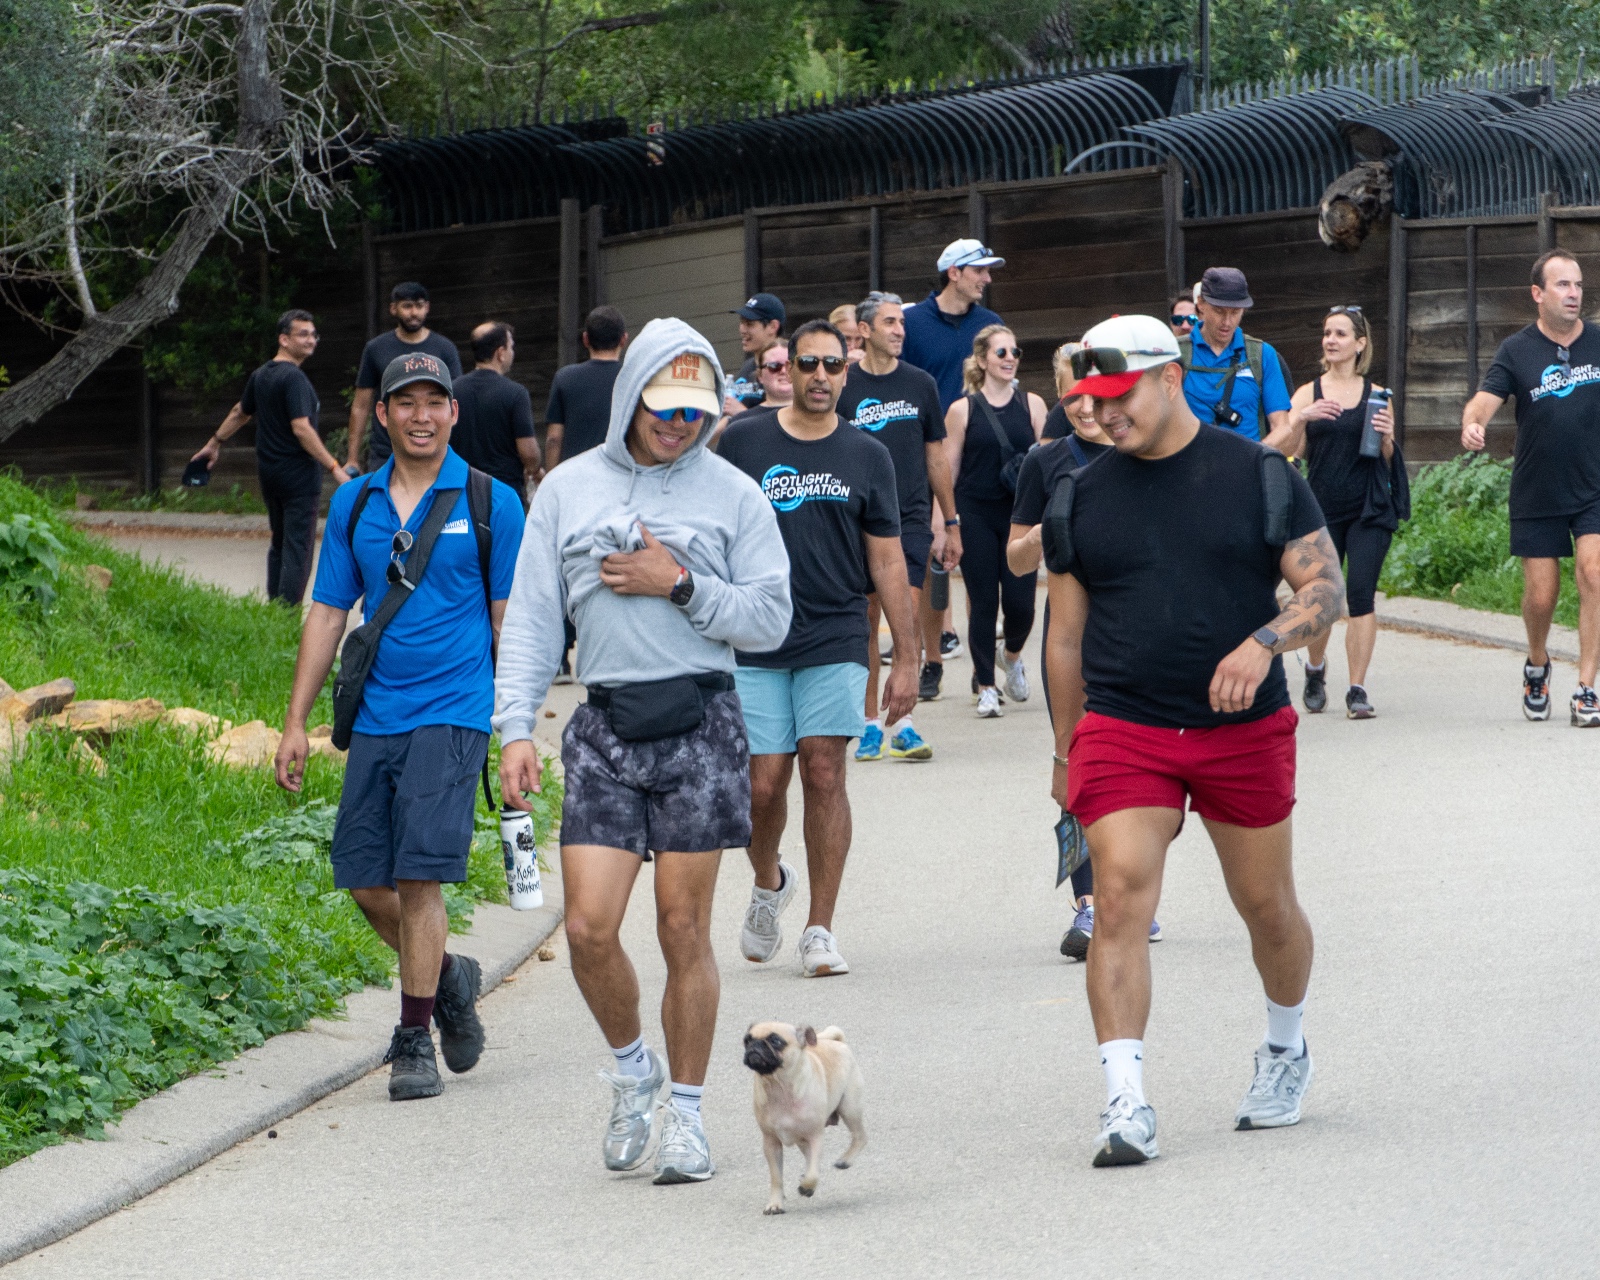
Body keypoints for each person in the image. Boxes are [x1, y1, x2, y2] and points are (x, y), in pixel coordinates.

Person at [495, 319, 792, 1186]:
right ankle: (634, 1074)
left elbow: (772, 618)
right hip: (604, 725)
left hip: (701, 723)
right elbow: (535, 620)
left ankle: (690, 1117)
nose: (679, 426)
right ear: (631, 396)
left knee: (680, 926)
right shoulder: (567, 490)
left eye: (696, 411)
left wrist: (683, 583)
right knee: (587, 926)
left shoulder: (735, 493)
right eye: (664, 408)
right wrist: (515, 725)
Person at [1043, 314, 1341, 1167]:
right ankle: (1125, 1101)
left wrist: (1263, 643)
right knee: (1121, 899)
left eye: (1119, 395)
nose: (1104, 415)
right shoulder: (1079, 495)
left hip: (1242, 732)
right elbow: (1064, 639)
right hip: (1126, 725)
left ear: (1170, 378)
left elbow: (1327, 589)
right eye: (1093, 400)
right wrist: (1068, 750)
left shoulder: (1258, 475)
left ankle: (1285, 1047)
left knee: (1266, 907)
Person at [273, 350, 525, 1102]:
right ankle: (450, 977)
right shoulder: (355, 505)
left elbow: (511, 623)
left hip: (454, 712)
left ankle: (414, 1037)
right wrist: (294, 721)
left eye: (434, 402)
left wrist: (513, 727)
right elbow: (326, 613)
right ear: (381, 415)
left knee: (418, 874)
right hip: (377, 713)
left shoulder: (492, 503)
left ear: (453, 412)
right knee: (361, 876)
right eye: (405, 403)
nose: (421, 415)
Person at [719, 320, 920, 980]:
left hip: (835, 632)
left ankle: (819, 929)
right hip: (755, 634)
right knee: (760, 784)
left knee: (824, 770)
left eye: (834, 365)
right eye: (808, 364)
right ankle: (771, 881)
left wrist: (908, 657)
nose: (821, 376)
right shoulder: (743, 440)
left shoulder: (867, 455)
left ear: (846, 371)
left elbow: (888, 562)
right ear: (787, 368)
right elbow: (706, 527)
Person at [1006, 344, 1162, 959]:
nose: (1084, 409)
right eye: (1071, 398)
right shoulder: (1045, 462)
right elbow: (1016, 558)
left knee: (1139, 760)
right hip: (1068, 627)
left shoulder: (1147, 453)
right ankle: (1090, 904)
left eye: (1094, 396)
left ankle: (1134, 892)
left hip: (1136, 625)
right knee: (1077, 760)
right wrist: (1051, 528)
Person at [1463, 251, 1600, 726]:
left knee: (1595, 573)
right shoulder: (1516, 350)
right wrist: (1473, 425)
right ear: (1538, 294)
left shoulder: (1599, 343)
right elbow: (1483, 401)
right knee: (1541, 597)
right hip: (1538, 489)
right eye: (1563, 285)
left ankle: (1586, 689)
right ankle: (1538, 664)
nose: (1574, 293)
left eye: (1578, 285)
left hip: (1593, 487)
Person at [837, 291, 963, 736]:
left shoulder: (920, 384)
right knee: (867, 623)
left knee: (904, 613)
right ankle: (871, 721)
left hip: (907, 519)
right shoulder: (844, 384)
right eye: (889, 323)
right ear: (865, 330)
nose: (899, 331)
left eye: (902, 324)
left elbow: (936, 458)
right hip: (855, 519)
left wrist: (950, 523)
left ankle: (905, 720)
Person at [1282, 306, 1405, 719]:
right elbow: (1288, 454)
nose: (1330, 340)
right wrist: (1302, 419)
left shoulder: (1378, 394)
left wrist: (1388, 437)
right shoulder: (1307, 393)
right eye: (1327, 333)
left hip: (1367, 510)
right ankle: (1315, 669)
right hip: (1319, 511)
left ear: (1360, 343)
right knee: (1325, 599)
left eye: (1340, 333)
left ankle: (1357, 689)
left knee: (1360, 595)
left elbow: (1387, 458)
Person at [189, 309, 350, 605]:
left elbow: (240, 412)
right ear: (284, 339)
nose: (311, 339)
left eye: (314, 334)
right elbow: (301, 428)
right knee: (297, 549)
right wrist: (334, 467)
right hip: (299, 478)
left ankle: (275, 613)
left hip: (270, 474)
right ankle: (286, 618)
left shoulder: (261, 375)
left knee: (279, 542)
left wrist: (214, 443)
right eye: (303, 334)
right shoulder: (294, 379)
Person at [943, 324, 1047, 718]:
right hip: (975, 513)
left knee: (1022, 605)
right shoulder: (961, 409)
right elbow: (948, 470)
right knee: (984, 600)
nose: (1009, 359)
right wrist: (946, 523)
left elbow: (1046, 462)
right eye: (1001, 352)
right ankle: (986, 685)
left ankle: (1012, 656)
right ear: (983, 358)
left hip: (1020, 515)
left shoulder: (1032, 404)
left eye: (1015, 352)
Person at [348, 283, 464, 471]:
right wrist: (352, 458)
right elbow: (361, 405)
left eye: (419, 306)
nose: (414, 313)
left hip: (434, 451)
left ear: (427, 307)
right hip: (386, 452)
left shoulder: (445, 348)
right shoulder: (376, 349)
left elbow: (455, 400)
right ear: (394, 308)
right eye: (407, 306)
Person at [1178, 267, 1294, 450]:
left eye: (1235, 312)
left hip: (1247, 472)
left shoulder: (1262, 355)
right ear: (1200, 304)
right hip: (1191, 470)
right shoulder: (1177, 354)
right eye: (1219, 311)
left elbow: (1283, 428)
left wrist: (1251, 458)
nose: (1227, 322)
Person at [902, 239, 1006, 411]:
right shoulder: (910, 322)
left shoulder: (991, 324)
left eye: (987, 271)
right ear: (954, 273)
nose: (987, 279)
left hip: (984, 433)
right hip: (931, 435)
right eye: (979, 270)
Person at [451, 321, 540, 508]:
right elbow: (529, 453)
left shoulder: (452, 390)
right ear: (500, 353)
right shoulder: (515, 393)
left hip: (459, 493)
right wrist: (534, 469)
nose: (512, 353)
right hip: (503, 493)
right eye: (511, 347)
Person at [544, 306, 629, 474]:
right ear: (623, 339)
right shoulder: (633, 378)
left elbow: (554, 439)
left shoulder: (565, 377)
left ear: (585, 339)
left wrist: (550, 479)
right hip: (621, 475)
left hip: (575, 476)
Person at [731, 292, 785, 379]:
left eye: (749, 324)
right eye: (742, 322)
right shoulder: (746, 370)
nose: (742, 330)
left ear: (773, 327)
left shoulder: (791, 370)